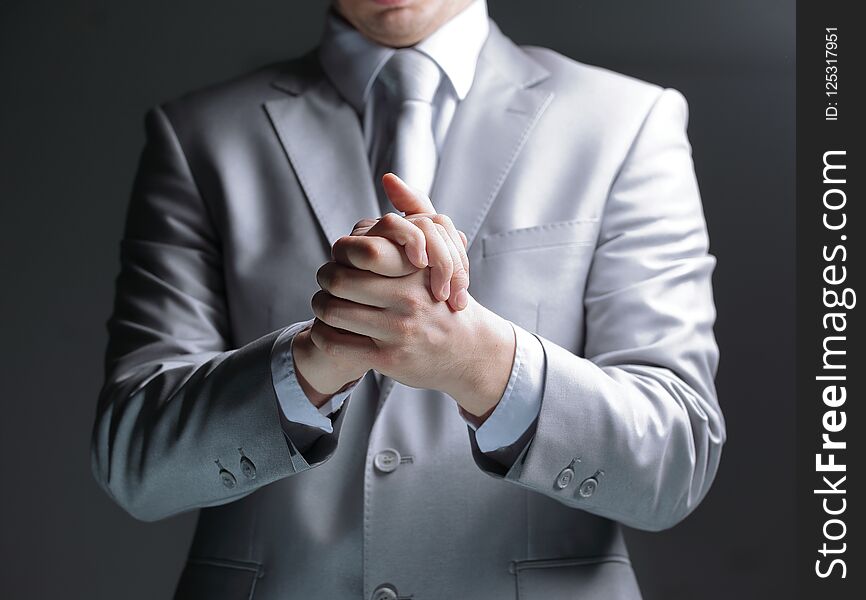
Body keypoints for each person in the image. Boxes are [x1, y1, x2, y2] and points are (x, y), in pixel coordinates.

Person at [91, 0, 726, 598]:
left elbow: (674, 461)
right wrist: (320, 354)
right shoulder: (199, 135)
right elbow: (136, 463)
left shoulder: (627, 122)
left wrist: (482, 363)